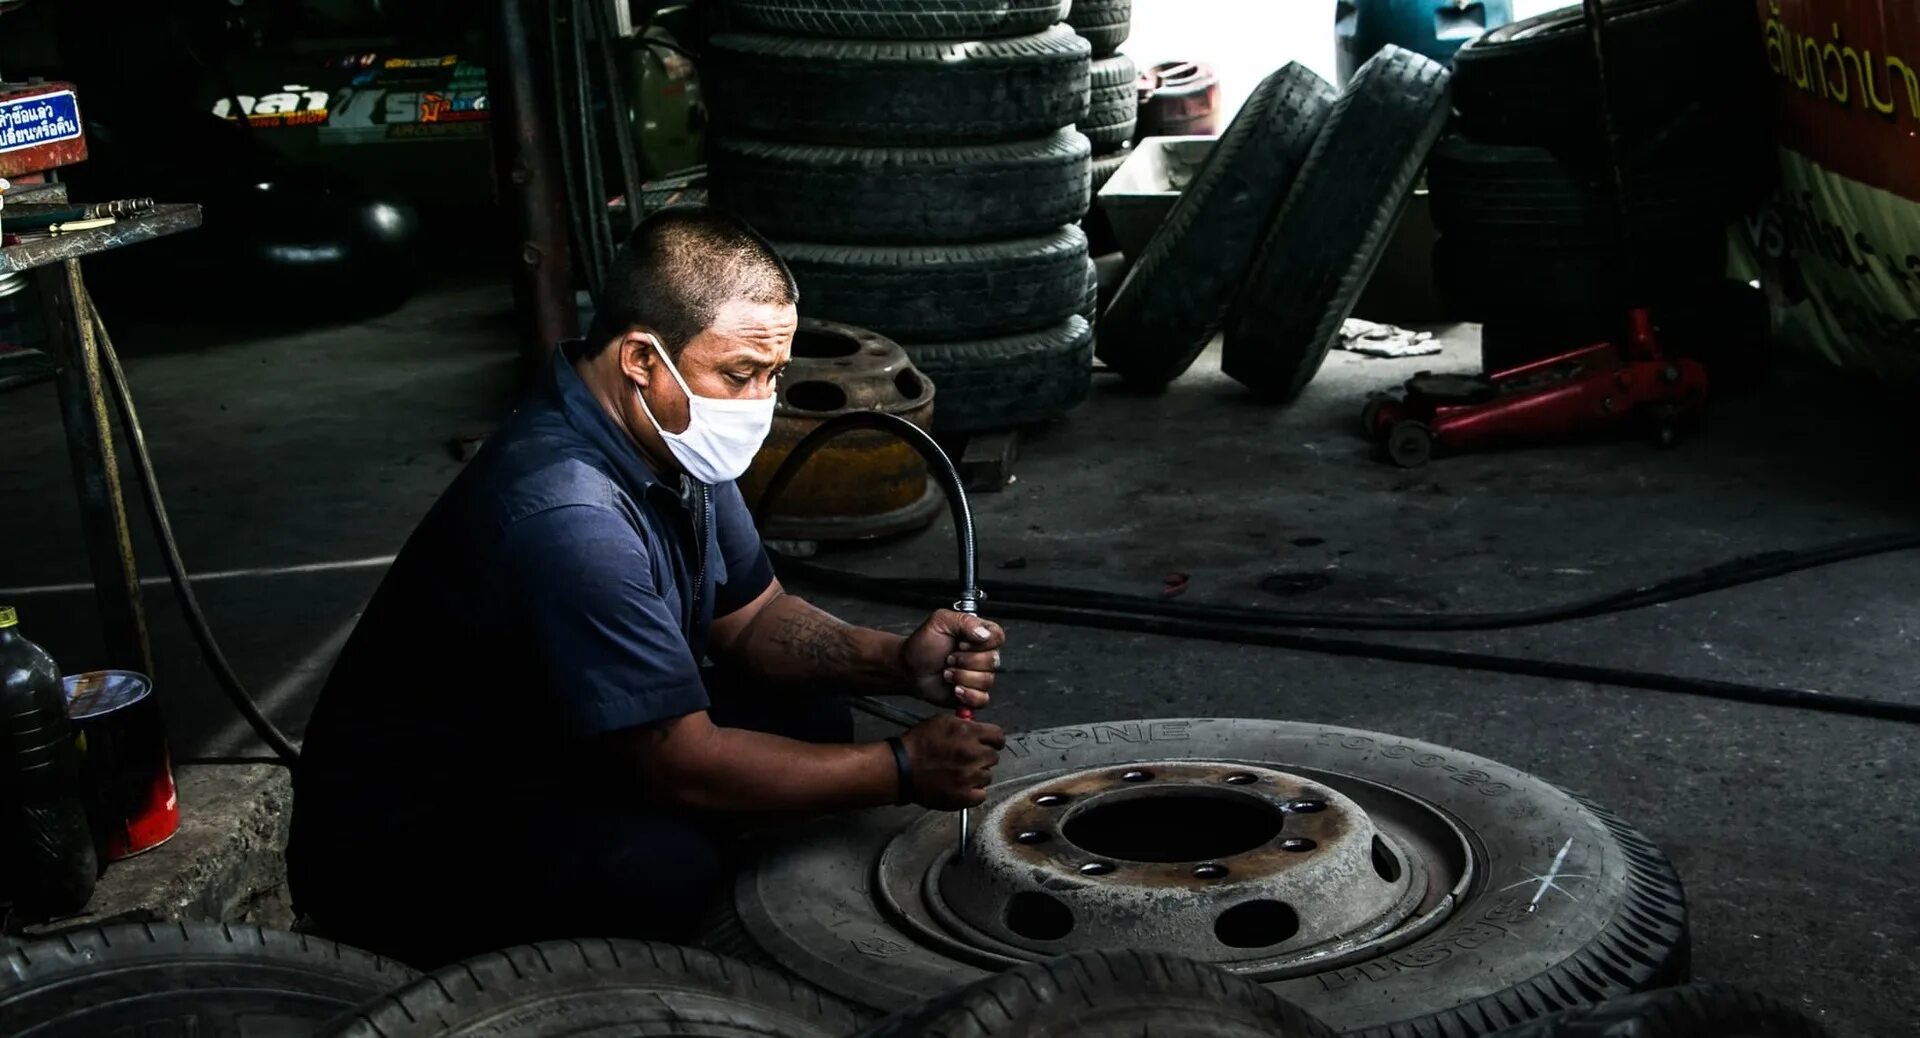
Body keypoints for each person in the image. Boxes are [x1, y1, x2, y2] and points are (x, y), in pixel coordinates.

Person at [287, 205, 1006, 966]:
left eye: (773, 373)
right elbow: (683, 766)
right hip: (409, 840)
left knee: (812, 711)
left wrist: (897, 660)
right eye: (739, 373)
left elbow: (754, 618)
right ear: (641, 359)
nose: (761, 400)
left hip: (542, 741)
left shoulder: (671, 435)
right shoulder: (568, 515)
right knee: (662, 869)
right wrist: (902, 768)